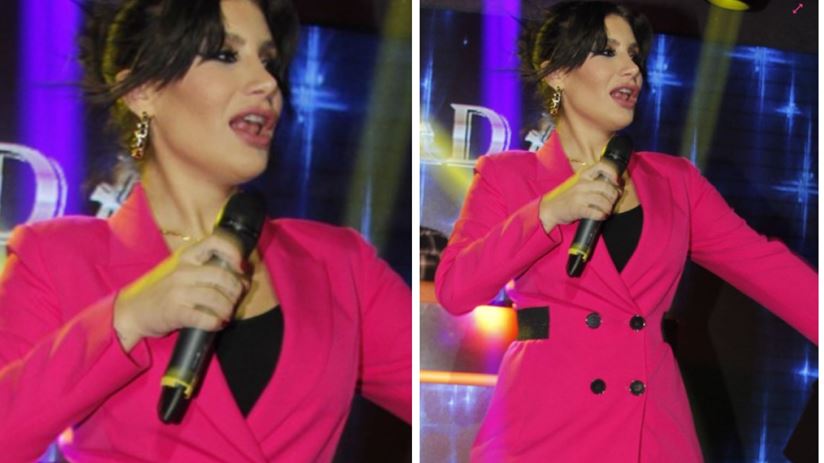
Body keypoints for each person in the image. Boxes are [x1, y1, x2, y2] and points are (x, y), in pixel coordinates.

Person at [0, 0, 411, 461]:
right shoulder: (55, 257)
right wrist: (128, 318)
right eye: (225, 55)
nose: (267, 83)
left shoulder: (340, 266)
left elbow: (453, 393)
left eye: (269, 62)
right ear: (144, 91)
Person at [434, 1, 817, 461]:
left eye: (634, 55)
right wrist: (547, 213)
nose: (632, 68)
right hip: (544, 425)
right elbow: (455, 289)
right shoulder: (507, 176)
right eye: (608, 52)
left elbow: (768, 268)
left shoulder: (675, 182)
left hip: (651, 430)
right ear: (557, 73)